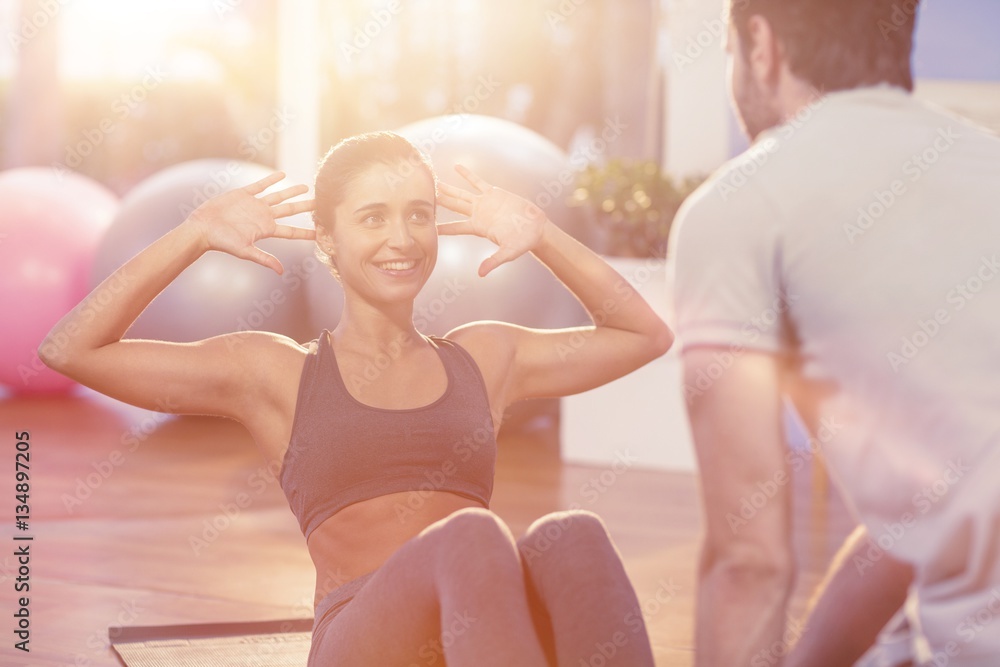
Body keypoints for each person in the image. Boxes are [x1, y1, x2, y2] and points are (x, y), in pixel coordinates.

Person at [40, 131, 673, 666]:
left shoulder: (484, 358)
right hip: (361, 640)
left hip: (477, 635)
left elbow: (645, 335)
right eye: (373, 217)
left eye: (418, 214)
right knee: (474, 536)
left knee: (572, 536)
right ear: (326, 240)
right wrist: (194, 234)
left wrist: (542, 236)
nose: (402, 238)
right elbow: (71, 349)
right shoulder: (276, 373)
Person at [669, 1, 1000, 665]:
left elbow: (749, 562)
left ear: (760, 44)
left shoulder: (739, 207)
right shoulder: (983, 163)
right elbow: (930, 506)